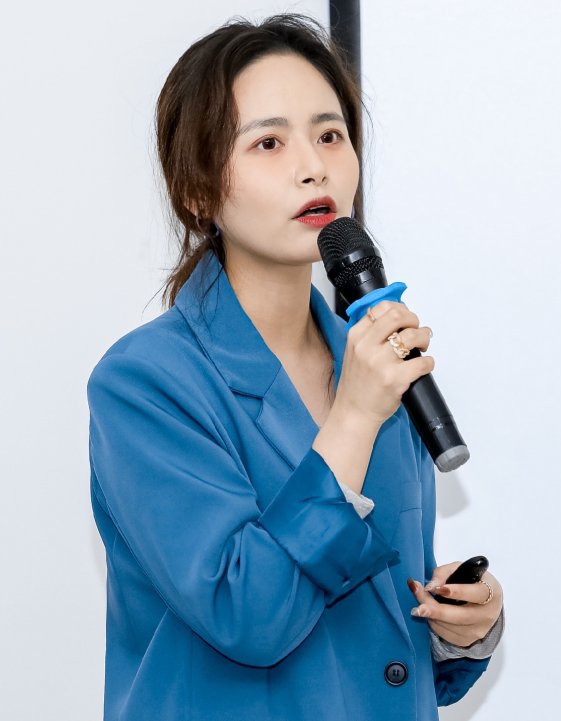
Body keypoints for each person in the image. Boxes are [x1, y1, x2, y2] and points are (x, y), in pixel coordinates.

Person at [87, 14, 504, 720]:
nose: (314, 166)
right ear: (196, 192)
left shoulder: (374, 361)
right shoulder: (145, 384)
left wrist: (461, 631)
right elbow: (248, 617)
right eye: (269, 142)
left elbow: (370, 626)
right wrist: (353, 418)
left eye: (330, 135)